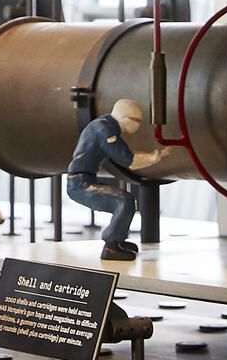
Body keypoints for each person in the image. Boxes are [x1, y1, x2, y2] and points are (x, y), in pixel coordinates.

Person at [66, 99, 162, 258]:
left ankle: (117, 241)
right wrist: (153, 158)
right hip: (79, 183)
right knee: (124, 201)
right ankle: (111, 245)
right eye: (137, 121)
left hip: (84, 179)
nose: (139, 125)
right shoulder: (105, 130)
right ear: (125, 118)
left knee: (124, 201)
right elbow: (127, 160)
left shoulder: (104, 125)